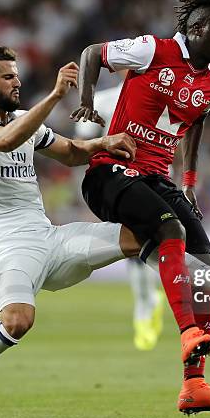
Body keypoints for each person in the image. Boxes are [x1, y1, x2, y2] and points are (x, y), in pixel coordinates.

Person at [71, 0, 210, 414]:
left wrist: (189, 180)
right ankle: (186, 329)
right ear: (197, 28)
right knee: (171, 229)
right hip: (110, 170)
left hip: (157, 178)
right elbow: (93, 52)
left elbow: (195, 120)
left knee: (204, 264)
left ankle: (195, 385)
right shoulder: (152, 49)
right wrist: (88, 103)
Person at [0, 45, 142, 418]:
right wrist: (57, 95)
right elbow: (8, 139)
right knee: (16, 321)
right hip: (5, 243)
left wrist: (103, 143)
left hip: (48, 237)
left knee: (140, 236)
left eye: (17, 74)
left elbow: (72, 152)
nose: (17, 82)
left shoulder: (24, 120)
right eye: (7, 76)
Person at [74, 71, 164, 351]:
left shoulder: (159, 100)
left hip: (152, 177)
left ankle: (149, 302)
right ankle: (147, 303)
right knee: (139, 243)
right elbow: (83, 142)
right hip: (119, 181)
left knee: (148, 243)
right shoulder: (104, 100)